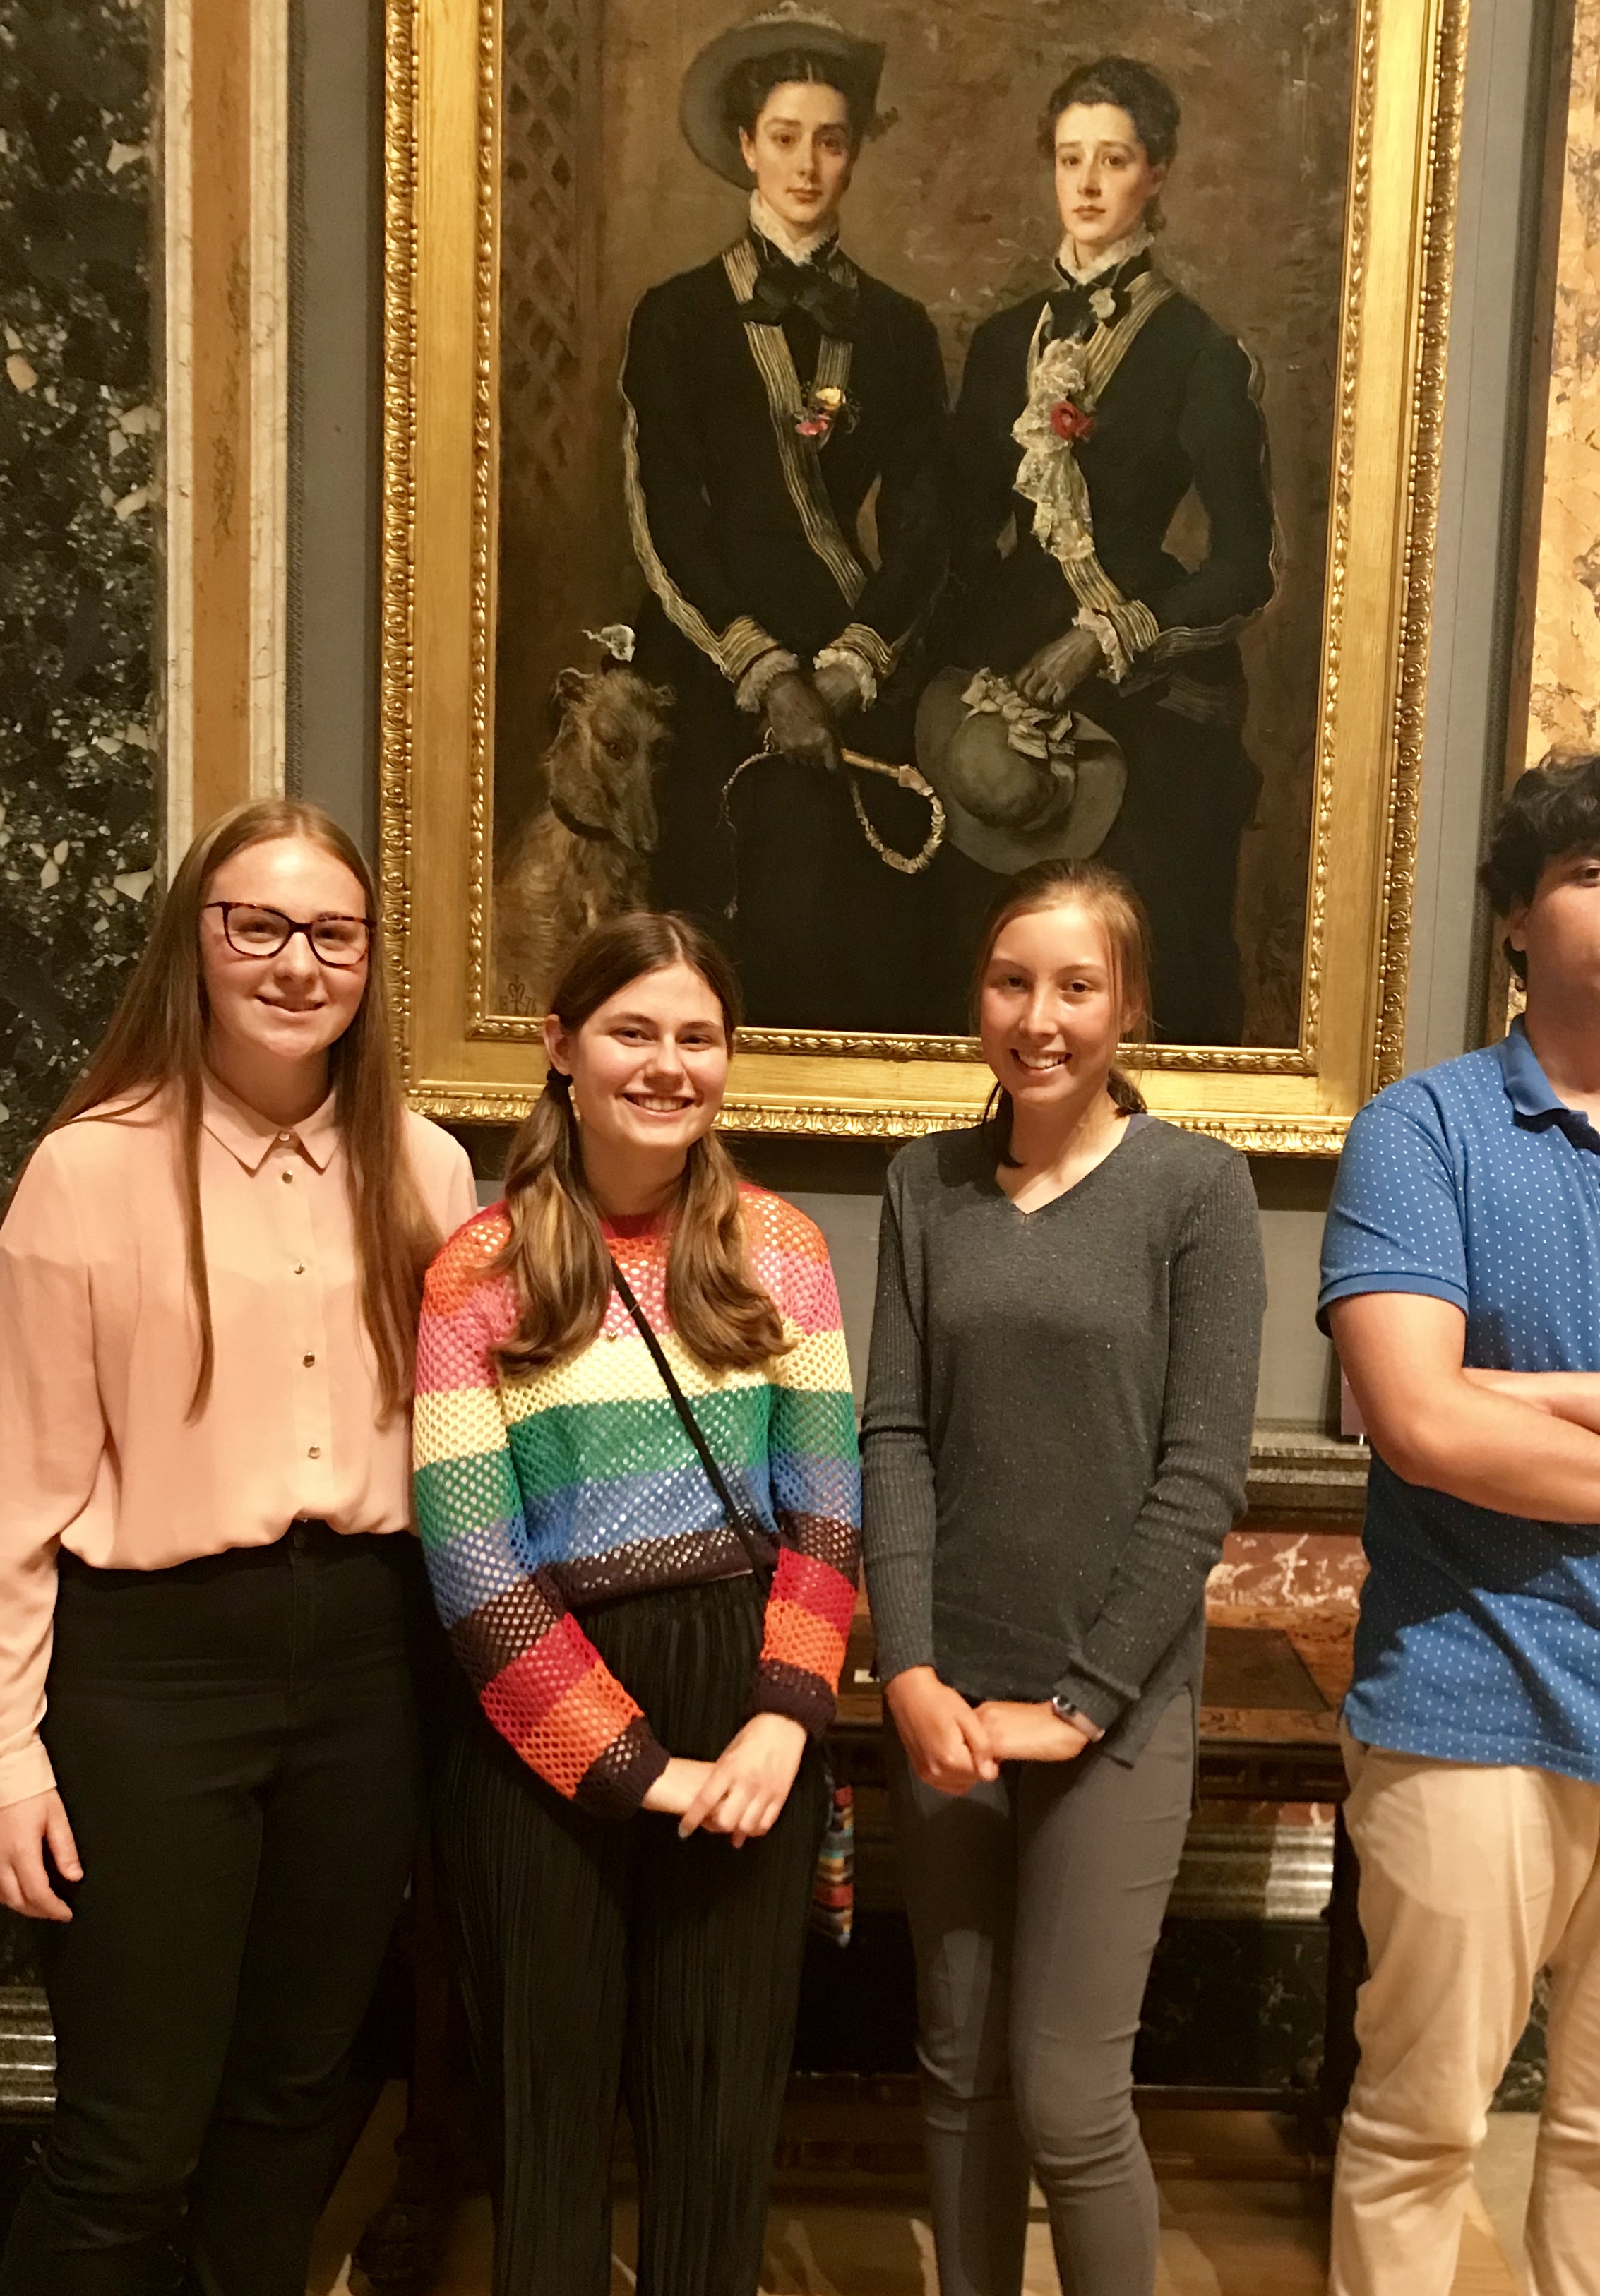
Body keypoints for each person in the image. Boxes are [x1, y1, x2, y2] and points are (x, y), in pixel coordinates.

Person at [1318, 744, 1600, 2296]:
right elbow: (1420, 1422)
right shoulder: (1422, 1129)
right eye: (1590, 869)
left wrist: (1529, 1398)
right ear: (1517, 918)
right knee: (1414, 2130)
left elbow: (1478, 1414)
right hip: (1466, 1703)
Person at [0, 799, 477, 2295]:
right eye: (254, 926)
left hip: (364, 1657)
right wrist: (9, 1750)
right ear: (193, 946)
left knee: (296, 2098)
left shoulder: (430, 1170)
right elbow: (20, 1490)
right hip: (152, 1677)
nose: (294, 964)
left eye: (331, 934)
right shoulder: (88, 1171)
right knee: (129, 2134)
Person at [414, 911, 860, 2295]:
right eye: (632, 1031)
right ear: (560, 1047)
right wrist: (636, 1770)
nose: (667, 1065)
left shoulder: (780, 1248)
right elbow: (471, 1558)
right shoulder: (478, 1271)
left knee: (717, 2129)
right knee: (544, 2141)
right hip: (540, 1731)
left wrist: (782, 1723)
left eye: (696, 1036)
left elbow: (826, 1512)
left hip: (748, 1705)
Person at [861, 858, 1265, 2296]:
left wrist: (1086, 1700)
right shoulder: (927, 1183)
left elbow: (1200, 1475)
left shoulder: (1196, 1191)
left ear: (1128, 1007)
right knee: (959, 2070)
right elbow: (896, 1437)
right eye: (1011, 980)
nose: (1039, 1016)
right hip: (948, 1703)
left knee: (1068, 2098)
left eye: (1076, 985)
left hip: (1119, 1708)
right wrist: (905, 1667)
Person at [622, 8, 952, 1030]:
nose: (805, 164)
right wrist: (766, 676)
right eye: (783, 137)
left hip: (858, 674)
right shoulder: (675, 316)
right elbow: (663, 513)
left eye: (830, 139)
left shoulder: (896, 330)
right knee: (728, 951)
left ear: (852, 156)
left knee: (868, 956)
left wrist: (852, 666)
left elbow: (926, 520)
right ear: (742, 148)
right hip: (722, 675)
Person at [943, 56, 1277, 1046]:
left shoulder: (1199, 351)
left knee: (1152, 931)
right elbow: (957, 528)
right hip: (1004, 661)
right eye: (1069, 159)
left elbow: (1244, 563)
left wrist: (1105, 638)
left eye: (1115, 161)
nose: (1087, 185)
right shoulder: (1005, 342)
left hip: (1140, 684)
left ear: (1156, 174)